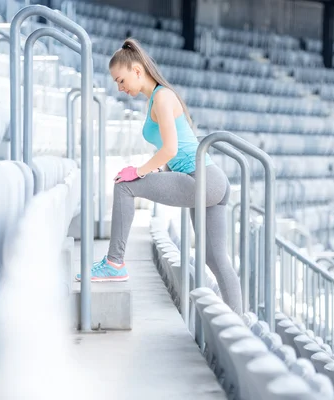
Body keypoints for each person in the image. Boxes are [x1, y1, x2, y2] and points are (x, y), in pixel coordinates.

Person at [75, 38, 242, 314]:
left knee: (124, 186)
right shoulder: (158, 97)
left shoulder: (162, 97)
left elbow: (171, 148)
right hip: (210, 180)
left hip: (200, 179)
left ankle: (114, 263)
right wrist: (157, 170)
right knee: (215, 258)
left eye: (121, 80)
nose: (120, 87)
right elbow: (177, 150)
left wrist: (138, 171)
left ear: (137, 70)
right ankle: (239, 324)